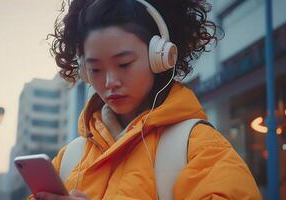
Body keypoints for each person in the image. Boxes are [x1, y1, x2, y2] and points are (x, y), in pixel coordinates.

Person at [31, 0, 261, 199]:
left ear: (160, 57)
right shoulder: (69, 159)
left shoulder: (200, 147)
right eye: (96, 69)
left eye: (124, 64)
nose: (110, 81)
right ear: (83, 70)